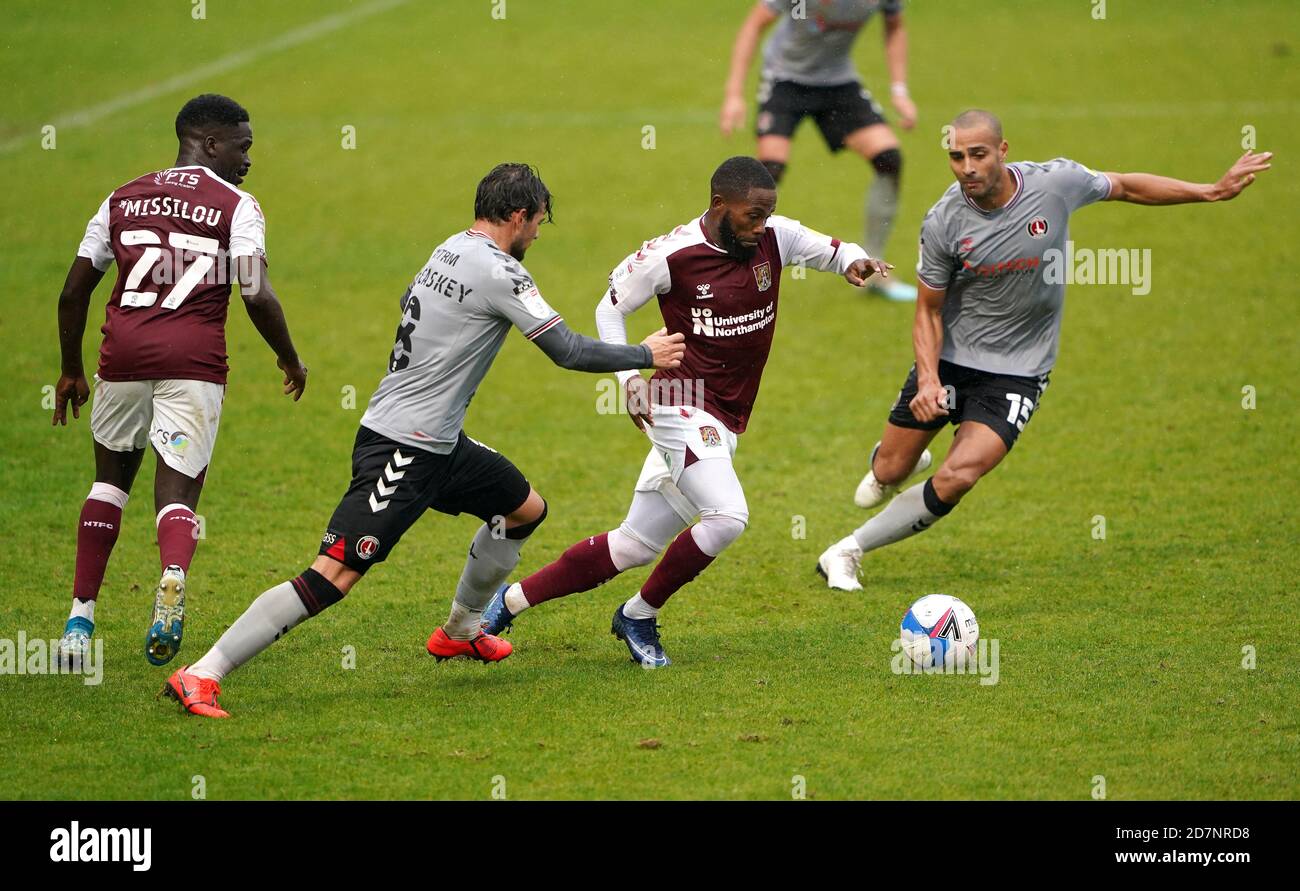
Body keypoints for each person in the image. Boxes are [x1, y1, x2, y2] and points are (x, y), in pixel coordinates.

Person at [163, 163, 686, 717]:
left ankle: (461, 630)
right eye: (537, 223)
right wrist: (644, 355)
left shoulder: (448, 248)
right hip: (401, 449)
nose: (537, 234)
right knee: (334, 574)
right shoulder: (501, 272)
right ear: (517, 215)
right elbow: (568, 351)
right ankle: (203, 672)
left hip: (437, 441)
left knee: (521, 510)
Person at [816, 109, 1272, 590]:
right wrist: (928, 379)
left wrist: (1210, 190)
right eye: (956, 156)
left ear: (1003, 150)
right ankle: (896, 463)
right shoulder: (944, 221)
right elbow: (928, 311)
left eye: (978, 154)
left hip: (1019, 371)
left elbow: (1126, 186)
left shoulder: (1056, 184)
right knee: (888, 470)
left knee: (961, 474)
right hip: (950, 361)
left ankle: (847, 550)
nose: (967, 166)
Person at [480, 156, 891, 667]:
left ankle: (507, 602)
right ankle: (638, 615)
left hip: (727, 413)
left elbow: (830, 249)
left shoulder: (774, 237)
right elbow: (610, 307)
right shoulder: (672, 254)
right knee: (726, 518)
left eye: (766, 215)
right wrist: (630, 382)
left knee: (633, 545)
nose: (760, 226)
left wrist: (855, 259)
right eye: (751, 216)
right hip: (679, 402)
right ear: (720, 205)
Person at [52, 93, 307, 668]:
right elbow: (254, 291)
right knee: (177, 492)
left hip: (122, 357)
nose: (248, 160)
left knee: (108, 485)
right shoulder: (237, 206)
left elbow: (73, 292)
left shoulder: (122, 196)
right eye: (243, 147)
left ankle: (78, 620)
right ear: (210, 143)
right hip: (192, 363)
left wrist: (71, 368)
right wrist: (289, 358)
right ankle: (171, 577)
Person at [720, 0, 918, 301]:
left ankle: (875, 271)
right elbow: (753, 26)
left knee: (889, 159)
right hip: (784, 79)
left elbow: (895, 26)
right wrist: (734, 95)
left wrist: (899, 90)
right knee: (767, 174)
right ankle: (728, 266)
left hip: (838, 83)